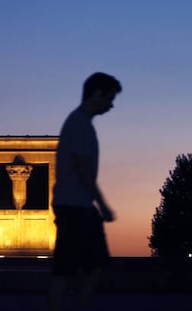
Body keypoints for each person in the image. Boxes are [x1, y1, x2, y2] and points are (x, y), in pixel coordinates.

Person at [48, 72, 122, 310]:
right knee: (66, 269)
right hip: (74, 206)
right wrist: (103, 205)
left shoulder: (81, 123)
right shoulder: (79, 124)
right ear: (97, 94)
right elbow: (82, 170)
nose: (111, 105)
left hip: (78, 206)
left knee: (91, 265)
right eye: (110, 98)